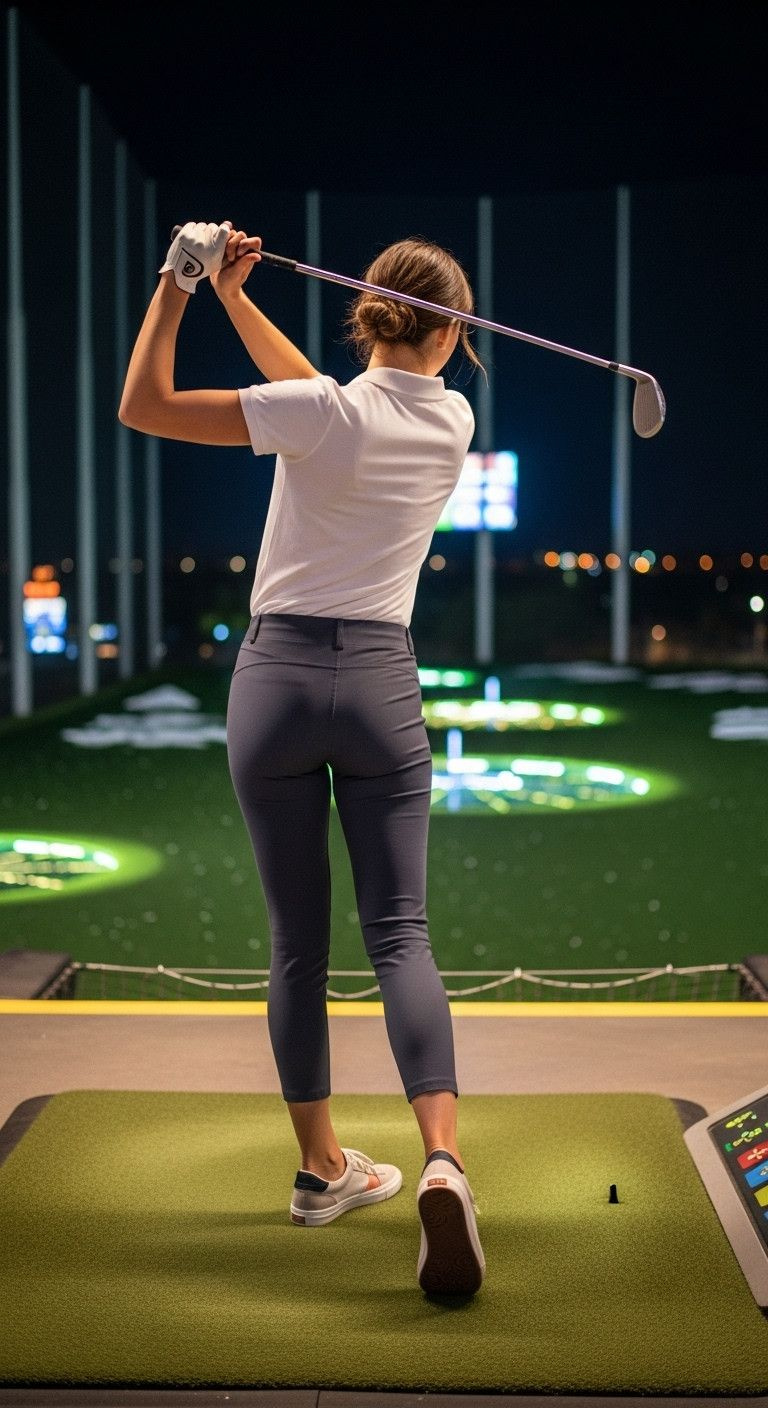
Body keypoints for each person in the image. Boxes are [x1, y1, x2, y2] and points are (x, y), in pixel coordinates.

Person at [119, 220, 486, 1296]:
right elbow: (332, 402)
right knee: (402, 932)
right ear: (454, 335)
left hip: (276, 682)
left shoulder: (320, 413)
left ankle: (323, 1168)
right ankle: (446, 1161)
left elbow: (148, 404)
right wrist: (239, 298)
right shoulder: (454, 420)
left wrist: (181, 286)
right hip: (380, 685)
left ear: (369, 313)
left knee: (298, 942)